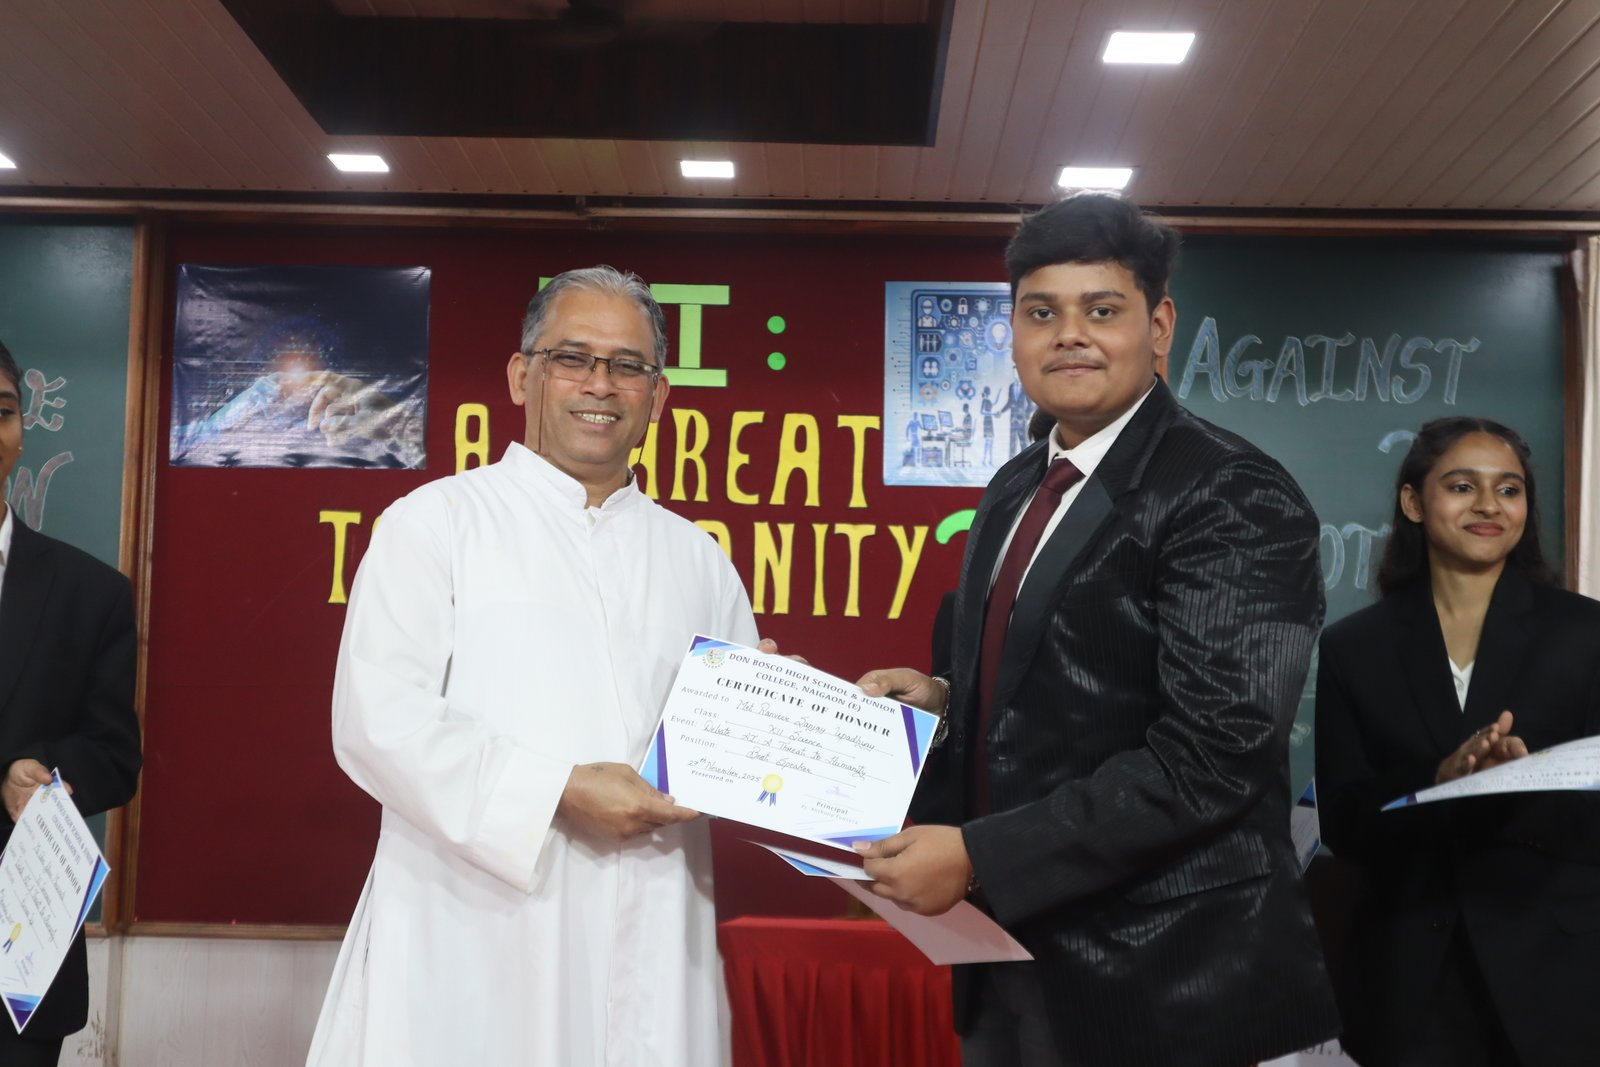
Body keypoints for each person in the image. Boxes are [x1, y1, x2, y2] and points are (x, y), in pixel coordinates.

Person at [853, 194, 1338, 1066]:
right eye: (1041, 313)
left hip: (1167, 982)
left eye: (1102, 310)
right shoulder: (1015, 485)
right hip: (1007, 958)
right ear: (1013, 333)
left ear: (1160, 326)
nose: (1069, 335)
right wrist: (945, 698)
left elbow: (1214, 751)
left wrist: (978, 856)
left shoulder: (1229, 491)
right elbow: (1064, 682)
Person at [306, 266, 760, 1066]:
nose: (600, 384)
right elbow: (378, 723)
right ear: (523, 375)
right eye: (572, 357)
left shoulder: (700, 561)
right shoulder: (435, 525)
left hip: (655, 939)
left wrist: (790, 717)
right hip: (474, 936)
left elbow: (736, 757)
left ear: (658, 395)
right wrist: (557, 789)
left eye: (628, 366)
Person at [1315, 417, 1600, 1067]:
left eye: (1509, 489)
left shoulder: (1586, 634)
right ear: (1414, 501)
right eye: (1462, 486)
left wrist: (1521, 782)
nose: (1488, 505)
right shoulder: (1354, 646)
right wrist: (1438, 781)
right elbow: (1345, 823)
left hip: (1559, 976)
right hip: (1409, 977)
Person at [0, 339, 142, 1067]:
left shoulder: (91, 593)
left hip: (20, 960)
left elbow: (115, 757)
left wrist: (43, 770)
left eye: (2, 411)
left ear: (21, 433)